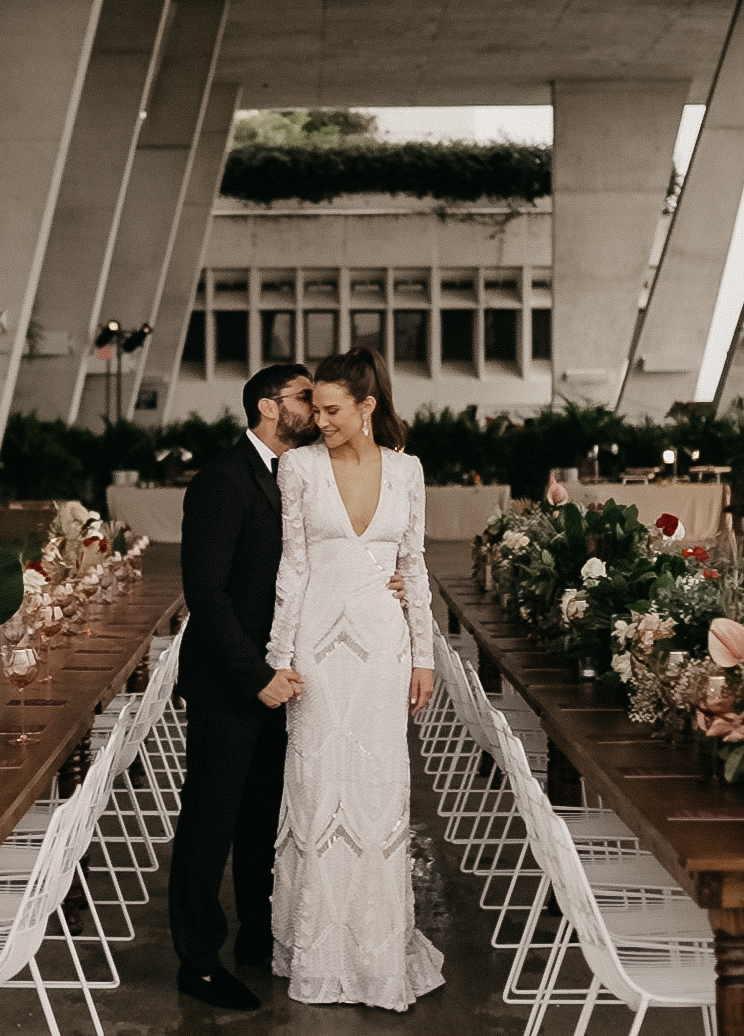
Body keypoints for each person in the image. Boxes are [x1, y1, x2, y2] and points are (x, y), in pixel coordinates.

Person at [170, 363, 409, 1010]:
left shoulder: (302, 471)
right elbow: (207, 595)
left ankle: (258, 936)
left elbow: (320, 560)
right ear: (271, 407)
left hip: (290, 670)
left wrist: (374, 581)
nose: (318, 408)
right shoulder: (224, 480)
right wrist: (257, 676)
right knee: (210, 822)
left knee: (260, 818)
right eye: (307, 398)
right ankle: (197, 961)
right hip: (232, 676)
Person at [263, 345, 446, 1010]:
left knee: (378, 790)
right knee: (316, 790)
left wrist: (424, 653)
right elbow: (294, 567)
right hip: (317, 648)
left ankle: (377, 953)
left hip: (384, 648)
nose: (319, 418)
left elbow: (415, 565)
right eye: (314, 406)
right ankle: (315, 949)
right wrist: (280, 657)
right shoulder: (298, 466)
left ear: (367, 407)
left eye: (333, 408)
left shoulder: (408, 472)